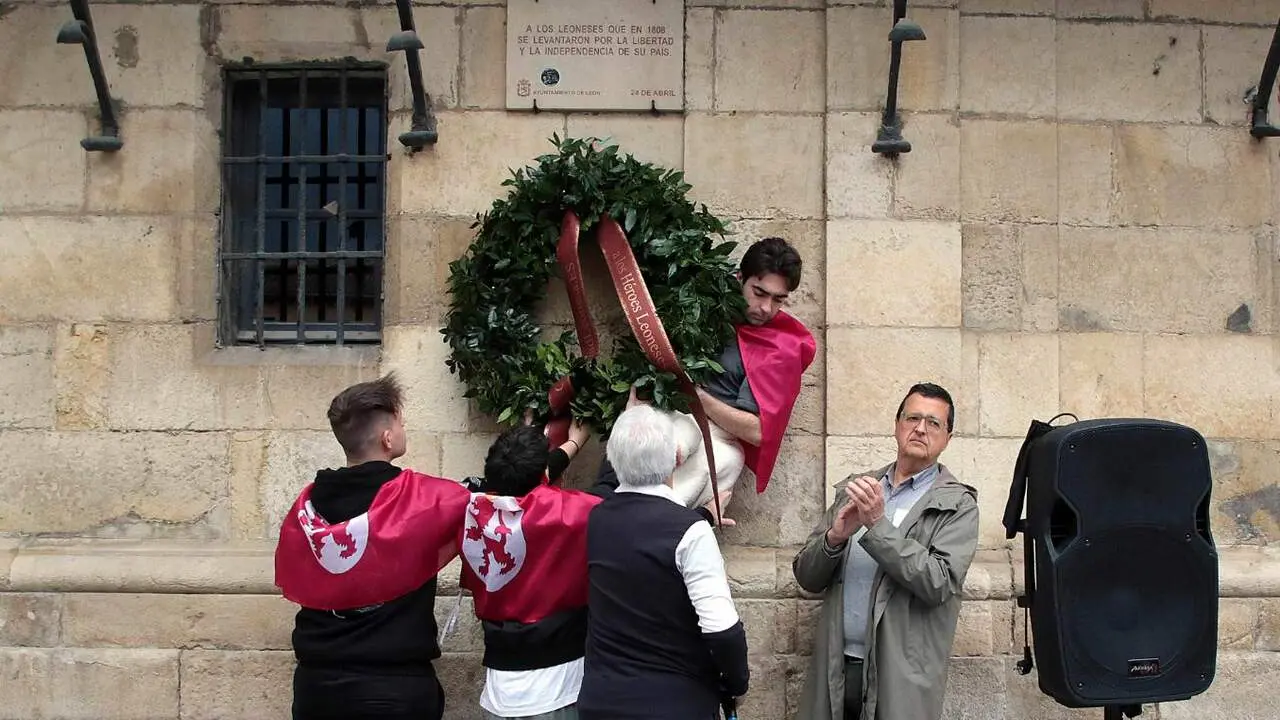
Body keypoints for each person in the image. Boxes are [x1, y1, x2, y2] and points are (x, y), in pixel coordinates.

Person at [274, 373, 472, 720]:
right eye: (401, 422)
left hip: (317, 685)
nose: (403, 429)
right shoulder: (422, 499)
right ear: (387, 436)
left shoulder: (306, 506)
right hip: (393, 685)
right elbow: (498, 506)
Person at [793, 383, 979, 720]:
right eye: (913, 418)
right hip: (837, 667)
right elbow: (807, 577)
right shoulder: (858, 489)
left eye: (934, 423)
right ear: (897, 425)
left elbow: (938, 582)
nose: (920, 428)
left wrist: (878, 526)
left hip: (900, 681)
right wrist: (834, 539)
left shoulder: (958, 506)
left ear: (948, 438)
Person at [620, 236, 817, 523]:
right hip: (656, 425)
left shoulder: (780, 347)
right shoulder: (699, 305)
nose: (766, 307)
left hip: (712, 441)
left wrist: (699, 398)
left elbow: (759, 432)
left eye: (778, 299)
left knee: (718, 468)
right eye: (759, 292)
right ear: (739, 279)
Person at [578, 404, 750, 720]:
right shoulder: (690, 532)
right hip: (675, 703)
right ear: (676, 458)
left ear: (614, 461)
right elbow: (722, 629)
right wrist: (736, 684)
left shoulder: (597, 520)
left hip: (603, 701)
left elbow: (640, 542)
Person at [459, 420, 611, 720]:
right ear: (544, 475)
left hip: (498, 692)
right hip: (557, 689)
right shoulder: (569, 513)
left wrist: (572, 444)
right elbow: (610, 501)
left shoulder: (470, 511)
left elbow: (513, 483)